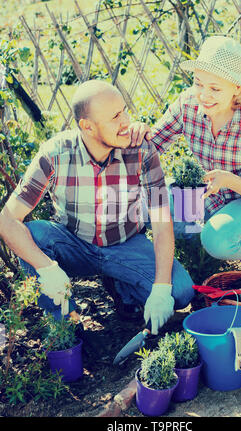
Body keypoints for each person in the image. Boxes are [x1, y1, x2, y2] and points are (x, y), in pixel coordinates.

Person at [0, 80, 194, 335]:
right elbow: (6, 219)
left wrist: (160, 288)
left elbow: (161, 224)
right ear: (87, 126)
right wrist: (45, 267)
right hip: (74, 244)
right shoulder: (55, 153)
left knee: (180, 291)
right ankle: (66, 325)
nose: (126, 121)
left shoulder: (141, 150)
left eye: (124, 110)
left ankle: (120, 286)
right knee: (33, 234)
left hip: (125, 243)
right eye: (115, 116)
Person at [129, 36, 241, 262]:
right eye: (198, 83)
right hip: (212, 198)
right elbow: (153, 145)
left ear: (236, 87)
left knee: (217, 240)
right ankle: (202, 257)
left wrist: (227, 180)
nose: (204, 95)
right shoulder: (188, 103)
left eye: (215, 88)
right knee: (149, 203)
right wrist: (140, 131)